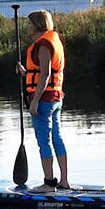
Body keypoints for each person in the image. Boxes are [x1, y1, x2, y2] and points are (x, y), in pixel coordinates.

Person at [17, 10, 70, 191]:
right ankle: (63, 181)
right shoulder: (52, 40)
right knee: (56, 138)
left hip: (45, 99)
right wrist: (26, 73)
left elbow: (46, 75)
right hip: (55, 97)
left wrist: (35, 101)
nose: (27, 27)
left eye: (29, 24)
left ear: (38, 26)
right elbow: (43, 72)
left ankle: (49, 183)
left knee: (44, 140)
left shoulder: (44, 45)